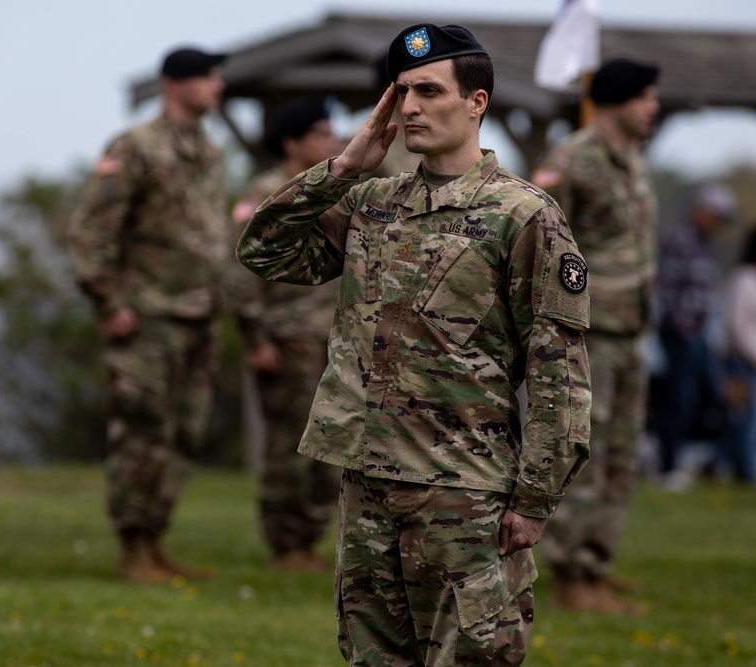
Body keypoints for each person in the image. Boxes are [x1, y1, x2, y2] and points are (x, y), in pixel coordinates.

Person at [237, 23, 591, 666]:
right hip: (369, 478)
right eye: (401, 93)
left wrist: (535, 499)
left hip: (463, 490)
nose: (410, 108)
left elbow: (557, 372)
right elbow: (265, 251)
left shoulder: (523, 215)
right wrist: (341, 169)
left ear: (477, 102)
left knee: (474, 657)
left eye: (429, 90)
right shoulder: (373, 201)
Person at [67, 46, 229, 583]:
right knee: (141, 432)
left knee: (182, 436)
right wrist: (108, 302)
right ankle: (132, 549)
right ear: (173, 83)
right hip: (146, 318)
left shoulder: (209, 150)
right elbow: (93, 230)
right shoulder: (134, 147)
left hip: (199, 315)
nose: (217, 85)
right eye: (207, 77)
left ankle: (155, 542)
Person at [531, 57, 661, 613]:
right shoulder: (572, 162)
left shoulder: (631, 160)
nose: (654, 107)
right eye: (646, 97)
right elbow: (543, 242)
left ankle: (595, 564)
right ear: (616, 100)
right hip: (588, 331)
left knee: (620, 456)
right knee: (581, 449)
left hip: (629, 328)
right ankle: (568, 575)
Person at [230, 97, 343, 571]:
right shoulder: (266, 191)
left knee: (328, 443)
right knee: (287, 445)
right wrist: (257, 341)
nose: (331, 142)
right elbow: (240, 274)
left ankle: (306, 539)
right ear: (291, 142)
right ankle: (285, 542)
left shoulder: (335, 189)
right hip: (286, 338)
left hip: (330, 336)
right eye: (320, 134)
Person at [653, 184, 737, 487]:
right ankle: (667, 466)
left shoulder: (703, 243)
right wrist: (683, 326)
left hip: (699, 335)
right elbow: (667, 288)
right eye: (716, 216)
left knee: (712, 397)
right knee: (678, 399)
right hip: (681, 334)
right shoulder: (681, 239)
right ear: (701, 211)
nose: (718, 224)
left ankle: (707, 462)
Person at [716, 226, 756, 484]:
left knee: (750, 419)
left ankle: (720, 463)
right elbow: (737, 325)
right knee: (747, 417)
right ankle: (747, 472)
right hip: (742, 362)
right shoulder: (743, 279)